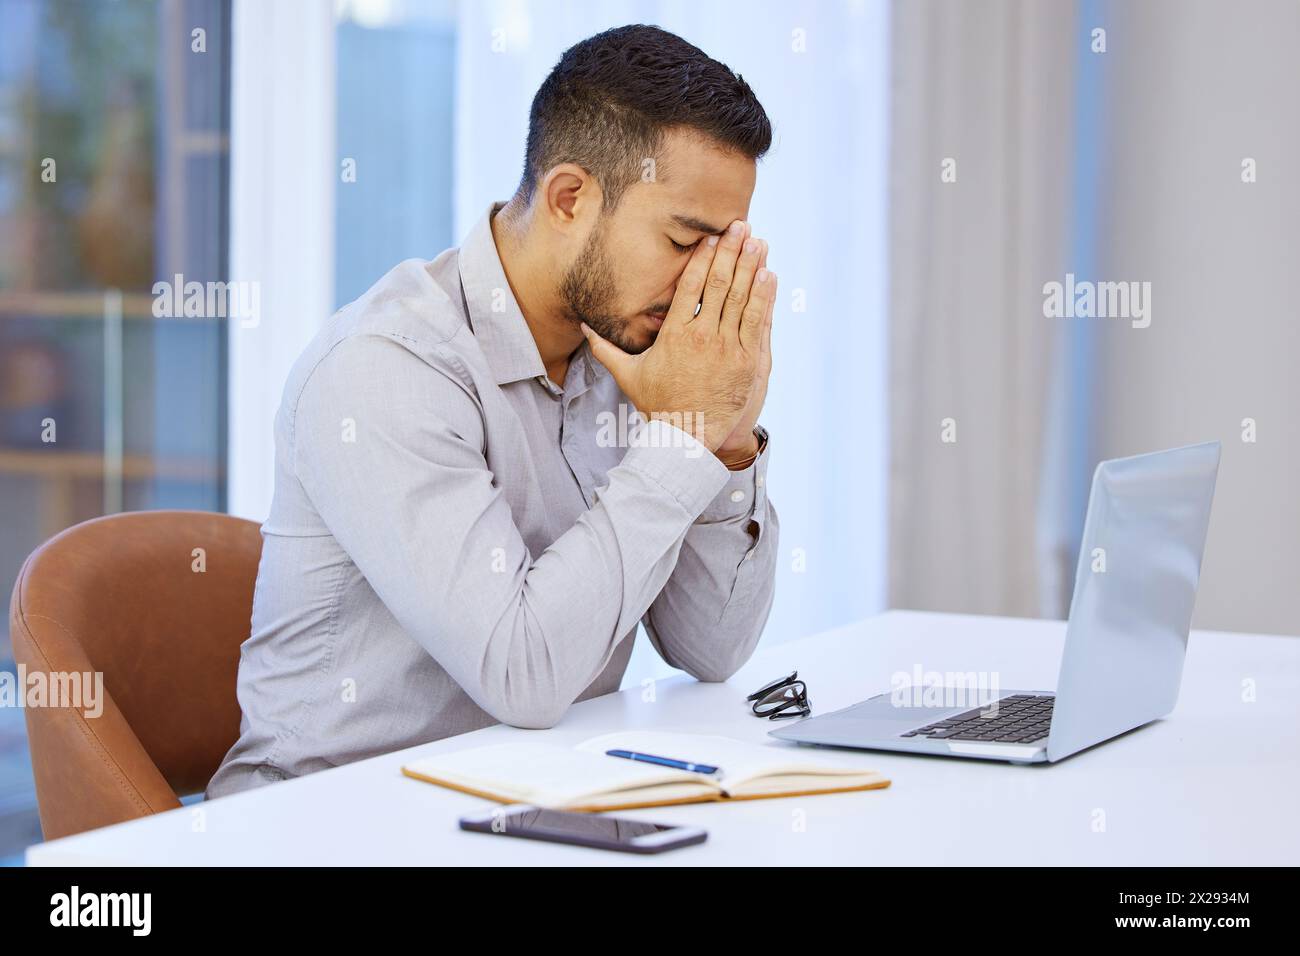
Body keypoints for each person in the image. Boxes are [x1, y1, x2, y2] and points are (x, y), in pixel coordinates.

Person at [207, 24, 779, 798]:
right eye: (685, 241)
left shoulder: (633, 350)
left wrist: (726, 433)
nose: (702, 285)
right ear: (570, 198)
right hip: (339, 818)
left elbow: (711, 649)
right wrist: (680, 439)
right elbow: (525, 674)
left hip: (537, 801)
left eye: (725, 251)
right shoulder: (386, 367)